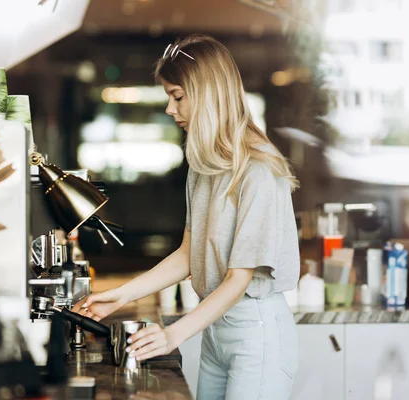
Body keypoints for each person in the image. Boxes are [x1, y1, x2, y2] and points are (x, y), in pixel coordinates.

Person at [73, 34, 300, 400]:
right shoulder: (204, 165)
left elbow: (238, 278)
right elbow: (187, 254)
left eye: (177, 96)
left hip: (256, 334)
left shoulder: (257, 170)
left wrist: (173, 335)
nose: (169, 108)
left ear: (208, 94)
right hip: (215, 332)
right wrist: (118, 296)